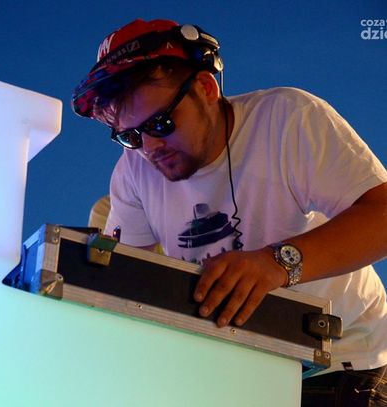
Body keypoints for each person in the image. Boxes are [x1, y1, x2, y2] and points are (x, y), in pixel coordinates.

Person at [72, 18, 387, 406]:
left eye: (161, 123)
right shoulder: (133, 170)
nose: (150, 148)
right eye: (131, 136)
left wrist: (276, 263)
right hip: (234, 368)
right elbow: (126, 282)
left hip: (340, 366)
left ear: (206, 88)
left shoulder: (287, 120)